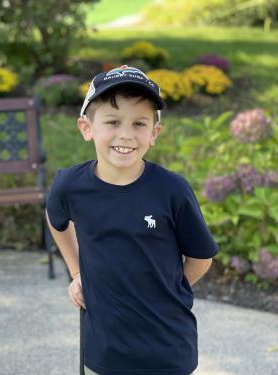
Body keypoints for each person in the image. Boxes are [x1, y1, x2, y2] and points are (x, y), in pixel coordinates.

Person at [45, 65, 218, 375]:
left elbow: (201, 256)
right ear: (87, 128)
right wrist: (76, 271)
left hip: (167, 344)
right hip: (105, 346)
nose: (125, 134)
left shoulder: (172, 190)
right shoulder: (70, 186)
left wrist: (167, 288)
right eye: (112, 121)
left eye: (139, 123)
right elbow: (55, 219)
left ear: (154, 133)